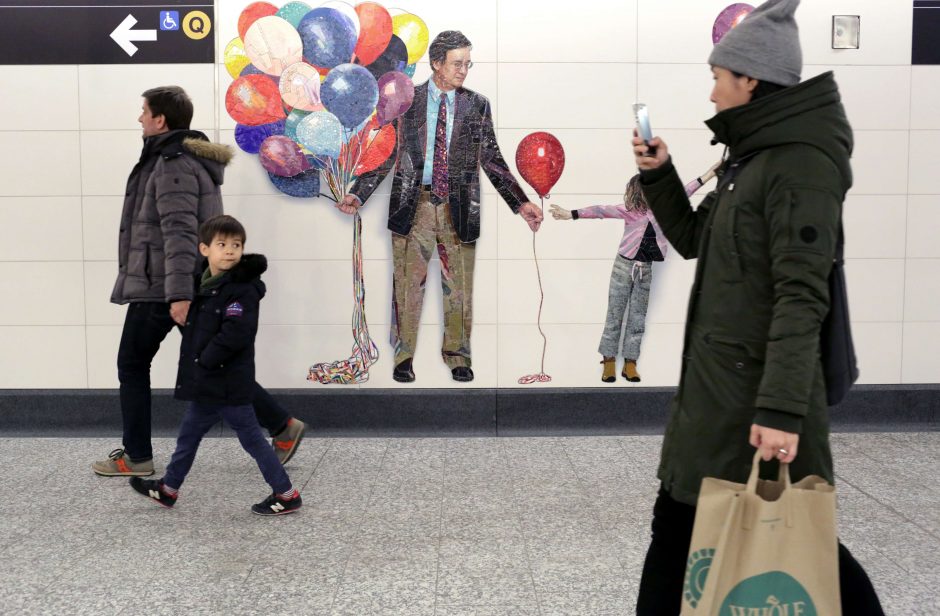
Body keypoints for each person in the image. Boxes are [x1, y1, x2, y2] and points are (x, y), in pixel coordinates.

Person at [630, 0, 884, 613]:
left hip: (755, 403)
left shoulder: (799, 167)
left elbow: (804, 298)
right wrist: (661, 175)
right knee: (686, 527)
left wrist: (780, 412)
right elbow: (695, 242)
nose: (712, 91)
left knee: (797, 537)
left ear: (750, 80)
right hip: (719, 395)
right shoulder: (753, 160)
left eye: (719, 76)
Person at [93, 86, 304, 478]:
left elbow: (178, 231)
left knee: (132, 363)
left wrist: (176, 294)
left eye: (144, 111)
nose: (140, 118)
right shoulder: (183, 159)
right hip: (180, 282)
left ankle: (136, 456)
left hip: (164, 285)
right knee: (211, 361)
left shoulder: (172, 163)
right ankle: (281, 425)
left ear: (161, 119)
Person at [336, 30, 544, 383]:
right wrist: (359, 192)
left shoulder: (476, 105)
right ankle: (403, 356)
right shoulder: (406, 101)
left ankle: (458, 356)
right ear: (436, 63)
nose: (464, 70)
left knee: (460, 288)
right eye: (457, 63)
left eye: (468, 63)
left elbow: (491, 159)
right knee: (407, 286)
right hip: (412, 203)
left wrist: (521, 202)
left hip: (460, 206)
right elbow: (386, 152)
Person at [130, 215, 302, 516]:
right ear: (204, 249)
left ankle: (286, 494)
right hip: (207, 382)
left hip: (228, 383)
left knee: (252, 440)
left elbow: (236, 333)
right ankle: (168, 489)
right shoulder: (205, 285)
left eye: (236, 245)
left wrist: (205, 359)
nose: (230, 250)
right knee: (188, 436)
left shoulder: (242, 289)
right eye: (222, 244)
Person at [550, 175, 667, 384]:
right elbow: (600, 210)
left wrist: (710, 174)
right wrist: (571, 214)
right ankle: (609, 360)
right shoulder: (629, 211)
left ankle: (631, 362)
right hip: (623, 267)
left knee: (638, 317)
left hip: (645, 270)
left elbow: (686, 190)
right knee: (615, 313)